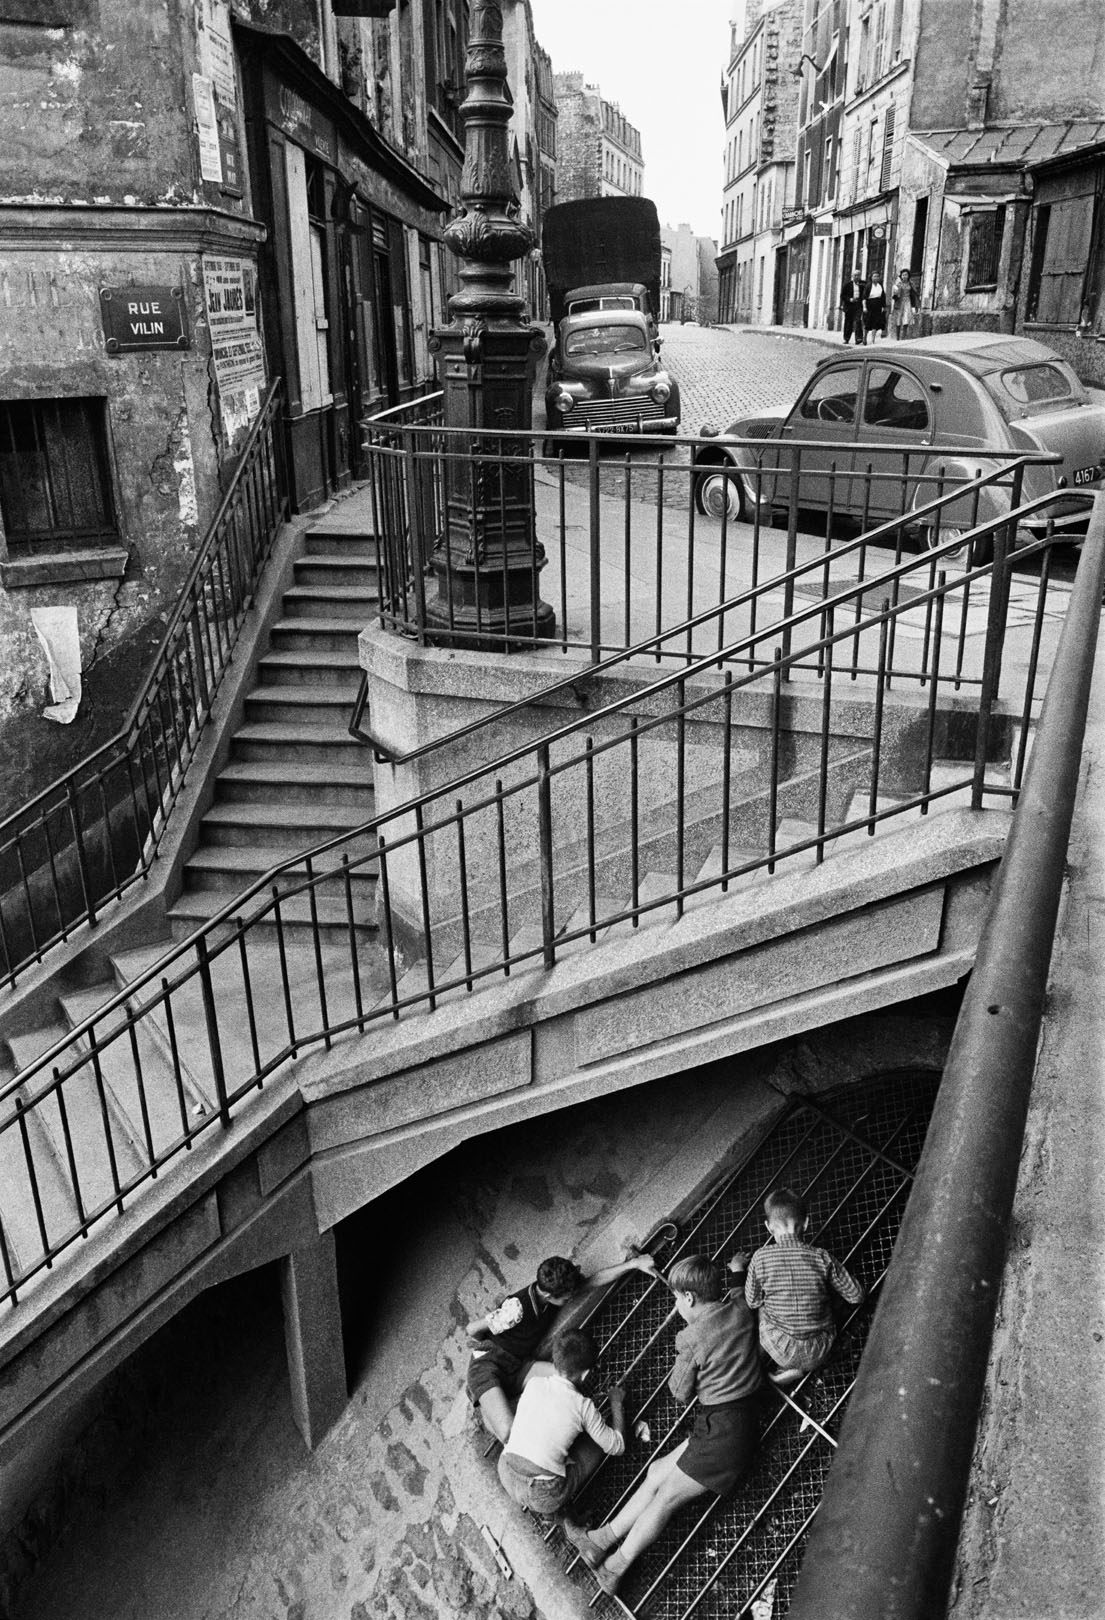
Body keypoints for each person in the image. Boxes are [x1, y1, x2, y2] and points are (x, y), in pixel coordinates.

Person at [564, 1253, 762, 1596]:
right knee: (657, 1472)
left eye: (675, 1297)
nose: (675, 1303)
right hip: (728, 1421)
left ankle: (615, 1567)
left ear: (689, 1298)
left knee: (666, 1497)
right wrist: (737, 1270)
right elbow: (739, 1290)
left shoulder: (691, 1338)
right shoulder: (740, 1309)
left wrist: (686, 1356)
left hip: (724, 1435)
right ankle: (599, 1541)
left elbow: (679, 1391)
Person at [465, 1251, 658, 1444]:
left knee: (569, 1379)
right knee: (508, 1432)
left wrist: (633, 1264)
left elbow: (593, 1280)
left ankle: (493, 1402)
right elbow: (472, 1329)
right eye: (566, 1299)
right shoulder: (515, 1311)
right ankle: (485, 1400)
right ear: (549, 1295)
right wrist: (488, 1347)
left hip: (518, 1367)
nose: (570, 1299)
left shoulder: (553, 1292)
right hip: (489, 1365)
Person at [496, 1327, 628, 1520]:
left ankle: (549, 1511)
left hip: (506, 1471)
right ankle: (560, 1514)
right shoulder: (583, 1406)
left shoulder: (534, 1383)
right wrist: (616, 1403)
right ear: (585, 1374)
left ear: (555, 1361)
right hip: (542, 1494)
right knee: (594, 1446)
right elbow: (617, 1446)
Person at [744, 1187, 864, 1387]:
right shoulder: (821, 1256)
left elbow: (752, 1300)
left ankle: (770, 1366)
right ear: (806, 1223)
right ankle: (801, 1367)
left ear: (768, 1227)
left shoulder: (760, 1257)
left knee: (762, 1308)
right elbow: (857, 1296)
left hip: (780, 1347)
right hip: (819, 1349)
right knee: (829, 1299)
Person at [840, 271, 867, 345]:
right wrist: (850, 299)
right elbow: (842, 295)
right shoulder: (847, 285)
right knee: (848, 322)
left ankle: (858, 338)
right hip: (849, 306)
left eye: (858, 275)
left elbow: (866, 291)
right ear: (852, 276)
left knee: (858, 320)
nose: (857, 277)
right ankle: (846, 338)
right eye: (855, 275)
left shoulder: (863, 284)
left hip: (858, 305)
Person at [890, 267, 918, 340]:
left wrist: (914, 305)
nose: (904, 276)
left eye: (906, 275)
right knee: (898, 319)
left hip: (908, 301)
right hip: (900, 302)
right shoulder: (898, 283)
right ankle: (897, 337)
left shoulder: (911, 284)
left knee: (906, 318)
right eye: (903, 275)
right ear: (901, 276)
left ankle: (903, 337)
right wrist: (896, 290)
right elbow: (894, 295)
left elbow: (914, 294)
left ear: (908, 275)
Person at [863, 273, 887, 342]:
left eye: (877, 276)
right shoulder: (868, 286)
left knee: (875, 323)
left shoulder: (880, 286)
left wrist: (884, 306)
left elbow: (883, 297)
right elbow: (864, 297)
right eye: (874, 276)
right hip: (870, 305)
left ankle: (873, 339)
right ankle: (865, 336)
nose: (876, 278)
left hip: (878, 306)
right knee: (868, 322)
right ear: (871, 277)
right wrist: (864, 307)